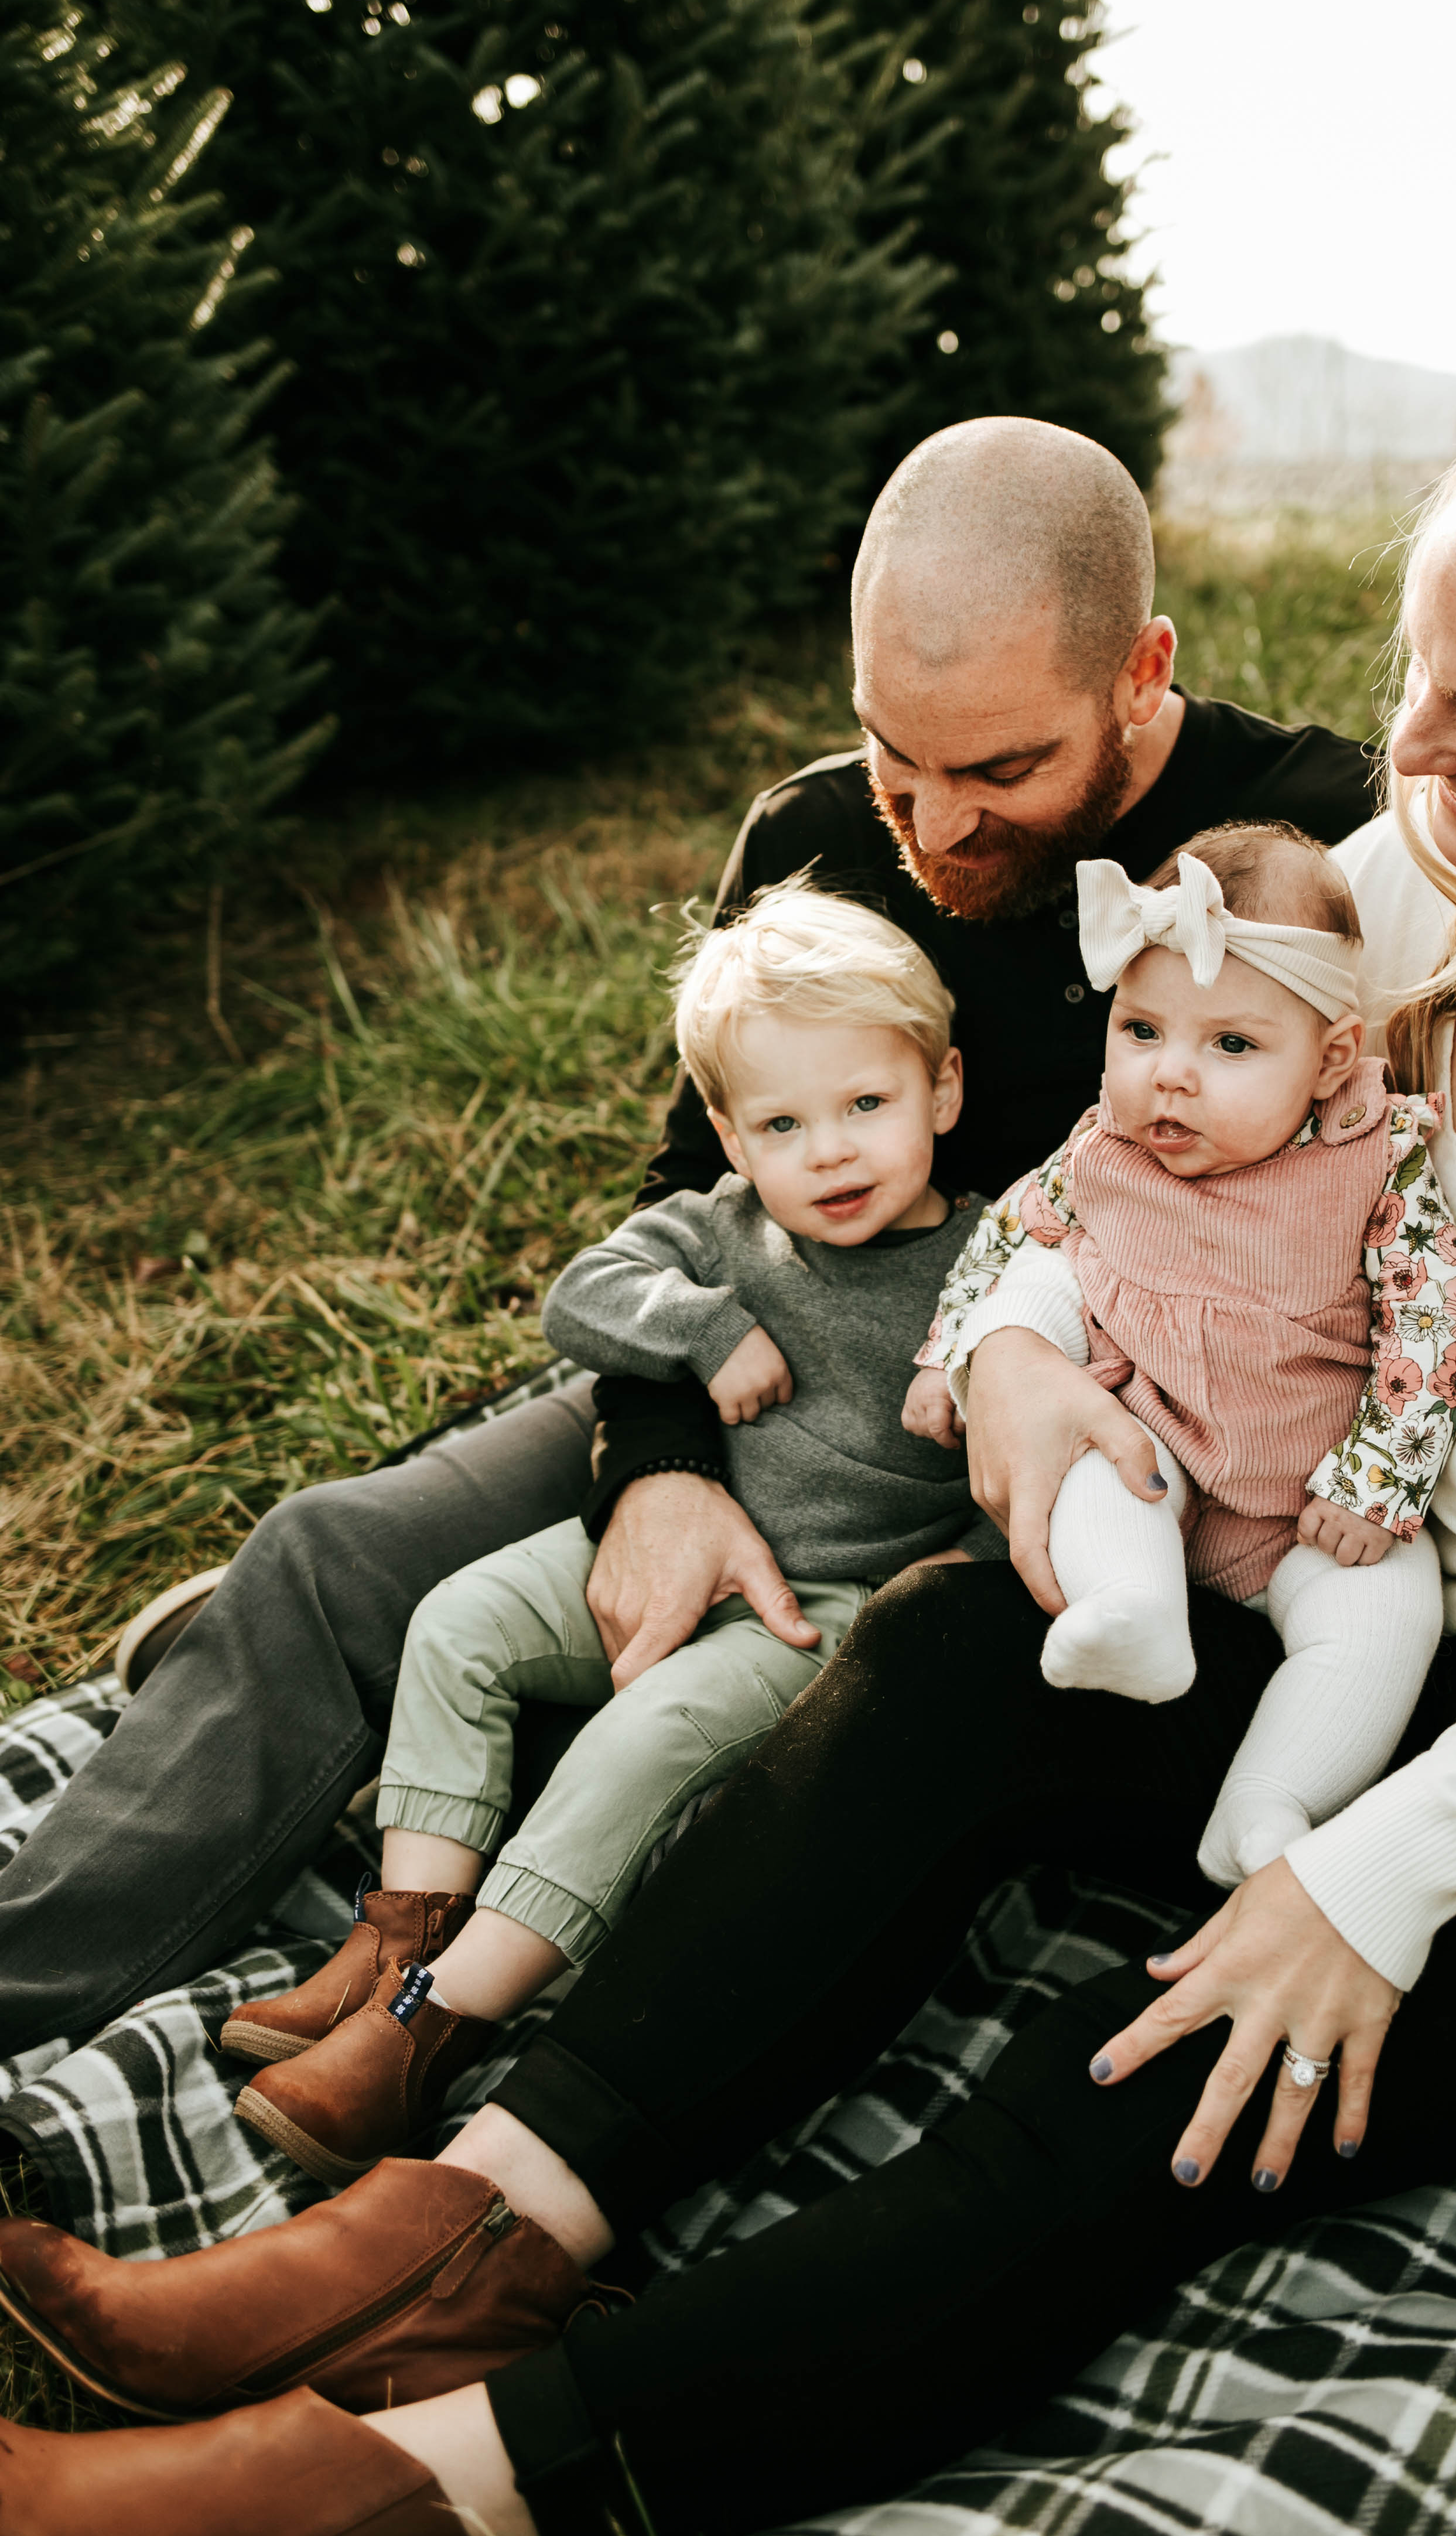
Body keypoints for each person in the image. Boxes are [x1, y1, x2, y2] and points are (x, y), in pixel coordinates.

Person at [11, 364, 1456, 2536]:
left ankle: (426, 2488)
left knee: (1170, 2067)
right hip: (1345, 1581)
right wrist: (1035, 1354)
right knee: (951, 1650)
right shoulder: (1407, 900)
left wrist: (1376, 1879)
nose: (1417, 755)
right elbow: (1110, 1179)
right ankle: (467, 2230)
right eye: (1419, 691)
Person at [0, 415, 1370, 2063]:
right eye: (894, 755)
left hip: (1093, 1487)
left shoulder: (1310, 845)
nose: (931, 827)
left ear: (1142, 671)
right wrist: (655, 1463)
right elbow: (678, 1196)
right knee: (333, 1553)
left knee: (820, 1726)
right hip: (764, 1375)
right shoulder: (810, 836)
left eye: (1001, 773)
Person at [219, 883, 997, 2186]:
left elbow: (1031, 1443)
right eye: (784, 1124)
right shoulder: (717, 1237)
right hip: (667, 1551)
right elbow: (584, 1295)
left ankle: (438, 2026)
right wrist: (707, 1329)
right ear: (732, 1141)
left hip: (820, 1614)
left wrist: (960, 1574)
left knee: (641, 1739)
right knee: (460, 1625)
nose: (833, 1153)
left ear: (946, 1089)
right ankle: (398, 1940)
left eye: (869, 1104)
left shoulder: (987, 1266)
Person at [907, 822, 1456, 1882]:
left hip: (1305, 1509)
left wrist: (1378, 1483)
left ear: (1331, 1057)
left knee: (1391, 1612)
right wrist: (954, 1351)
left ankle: (1270, 1801)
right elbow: (1015, 1233)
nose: (1172, 1078)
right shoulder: (1104, 1150)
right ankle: (1136, 1616)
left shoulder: (1375, 1162)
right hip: (1147, 1446)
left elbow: (1424, 1325)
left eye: (1232, 1047)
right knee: (1099, 1479)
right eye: (1143, 1030)